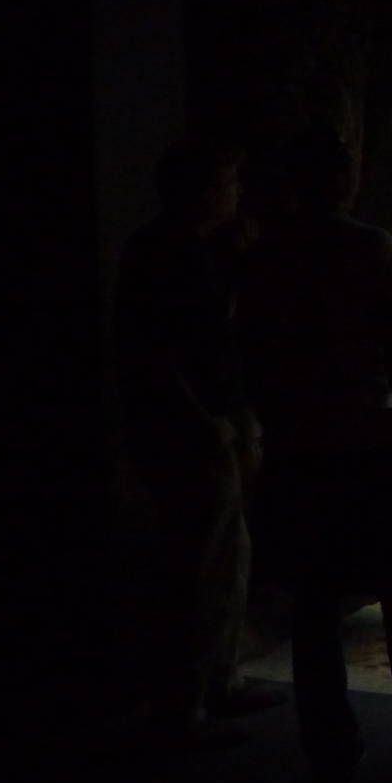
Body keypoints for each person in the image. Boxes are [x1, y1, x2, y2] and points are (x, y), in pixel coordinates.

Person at [238, 129, 392, 783]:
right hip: (369, 442)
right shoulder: (369, 246)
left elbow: (249, 350)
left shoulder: (265, 254)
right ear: (340, 178)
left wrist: (272, 426)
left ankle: (329, 748)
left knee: (313, 606)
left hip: (297, 449)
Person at [112, 139, 284, 746]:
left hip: (216, 421)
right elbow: (152, 351)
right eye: (230, 183)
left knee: (226, 553)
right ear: (206, 191)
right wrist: (204, 419)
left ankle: (217, 678)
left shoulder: (195, 249)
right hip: (189, 428)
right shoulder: (163, 252)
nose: (239, 193)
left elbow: (218, 331)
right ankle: (184, 697)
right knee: (197, 558)